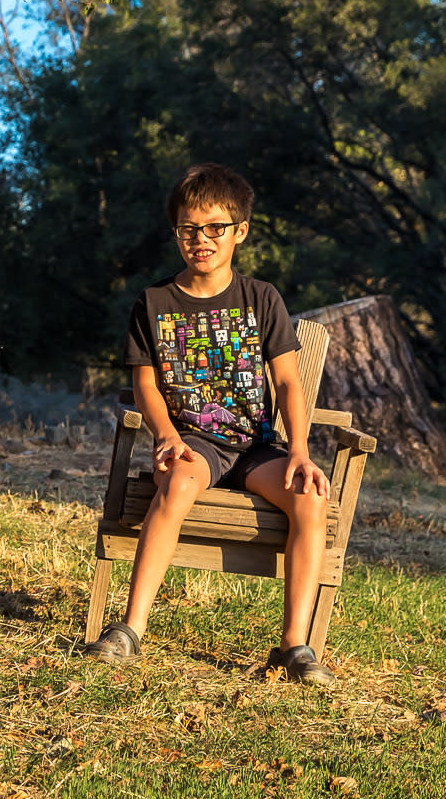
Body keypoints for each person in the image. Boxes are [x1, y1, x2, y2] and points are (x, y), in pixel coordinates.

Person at [85, 163, 336, 686]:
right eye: (189, 229)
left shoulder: (261, 298)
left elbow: (288, 382)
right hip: (193, 442)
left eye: (215, 228)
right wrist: (166, 435)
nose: (201, 240)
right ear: (176, 232)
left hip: (256, 446)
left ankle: (294, 646)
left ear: (239, 231)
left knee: (311, 497)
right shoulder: (154, 303)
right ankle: (130, 629)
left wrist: (299, 450)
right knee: (178, 483)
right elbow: (146, 385)